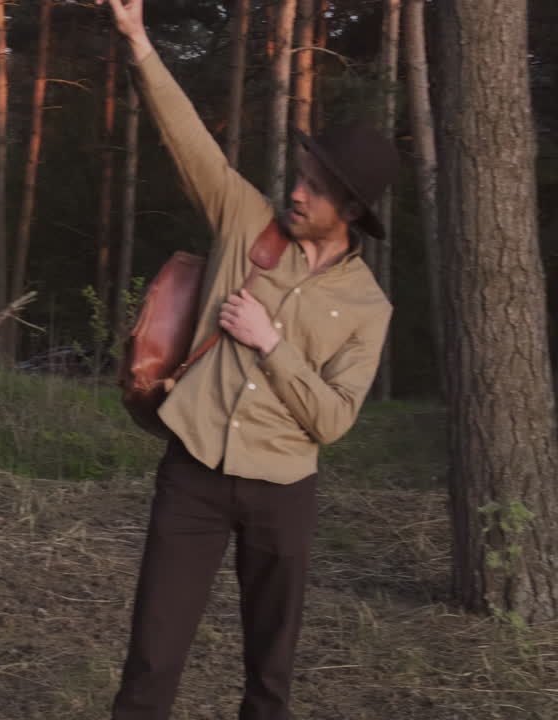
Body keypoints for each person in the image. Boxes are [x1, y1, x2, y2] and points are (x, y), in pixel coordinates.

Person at [98, 1, 400, 719]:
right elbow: (192, 143)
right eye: (300, 175)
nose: (296, 191)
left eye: (317, 188)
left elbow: (330, 420)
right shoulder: (246, 224)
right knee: (150, 662)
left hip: (283, 494)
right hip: (193, 476)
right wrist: (139, 42)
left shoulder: (369, 308)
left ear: (351, 211)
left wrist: (271, 343)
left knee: (270, 679)